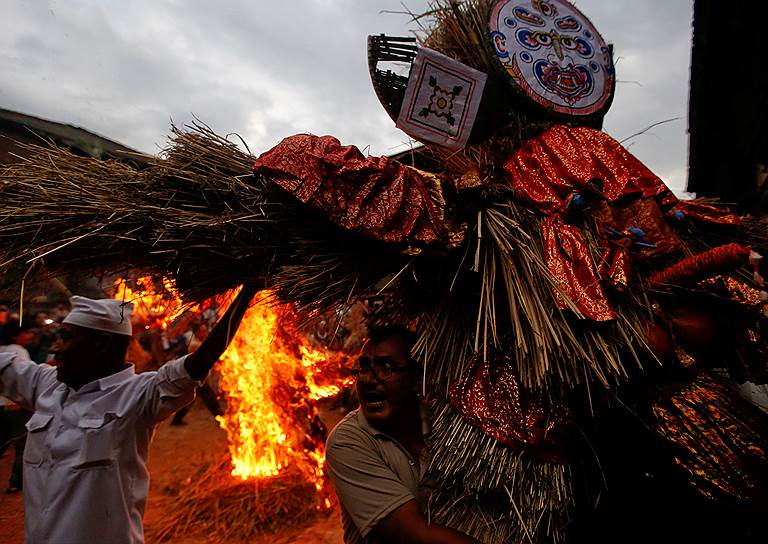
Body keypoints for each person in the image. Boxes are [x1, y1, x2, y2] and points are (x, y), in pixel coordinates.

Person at [0, 285, 255, 543]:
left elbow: (197, 365)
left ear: (101, 344)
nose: (55, 347)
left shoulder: (137, 396)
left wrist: (247, 293)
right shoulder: (46, 384)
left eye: (66, 337)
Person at [325, 325, 480, 544]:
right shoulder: (348, 442)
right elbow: (414, 535)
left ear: (416, 377)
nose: (369, 379)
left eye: (386, 367)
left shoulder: (445, 422)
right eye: (363, 367)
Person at [0, 317, 31, 493]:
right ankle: (16, 482)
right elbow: (21, 380)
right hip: (14, 405)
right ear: (14, 336)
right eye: (25, 333)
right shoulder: (18, 351)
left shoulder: (2, 350)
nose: (29, 336)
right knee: (21, 445)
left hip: (2, 406)